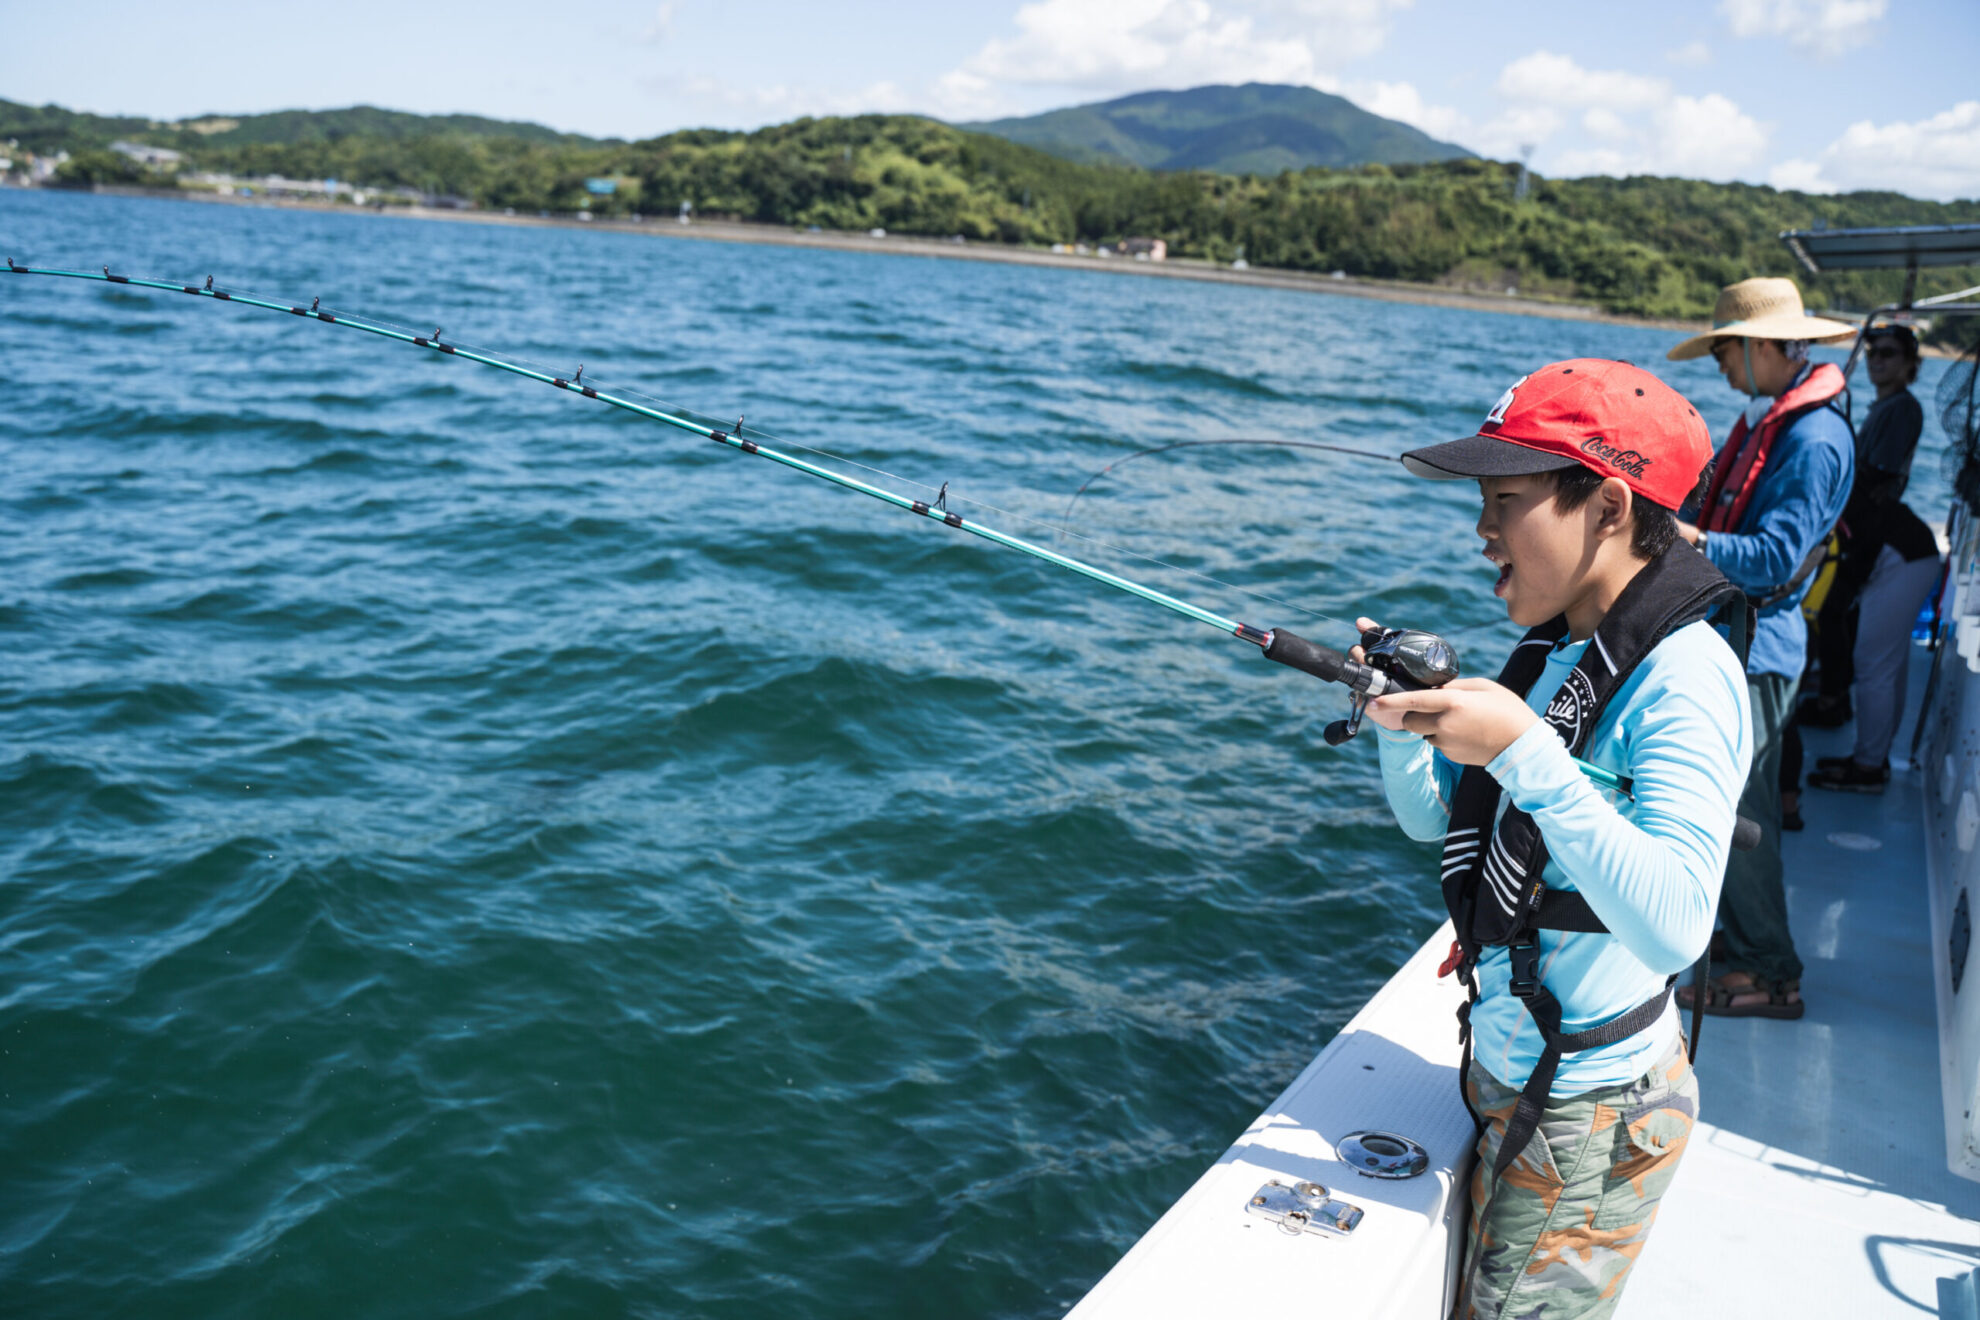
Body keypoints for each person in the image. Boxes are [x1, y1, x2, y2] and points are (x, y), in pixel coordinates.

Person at [1366, 359, 1751, 1318]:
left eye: (1505, 500)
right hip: (1508, 1068)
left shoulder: (1687, 678)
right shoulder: (1558, 653)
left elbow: (1676, 925)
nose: (1482, 528)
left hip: (1591, 1111)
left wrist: (1524, 753)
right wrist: (1399, 725)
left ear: (1609, 507)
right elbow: (1439, 824)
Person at [1667, 277, 1855, 1020]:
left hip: (1760, 649)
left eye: (1725, 349)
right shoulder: (1778, 422)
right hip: (1740, 640)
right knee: (1726, 803)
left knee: (1738, 813)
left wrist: (1685, 539)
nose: (1719, 364)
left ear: (1763, 347)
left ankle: (1769, 972)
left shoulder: (1812, 439)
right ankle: (1745, 940)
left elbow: (1775, 558)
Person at [1808, 326, 1942, 790]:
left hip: (1901, 555)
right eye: (1871, 352)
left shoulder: (1901, 407)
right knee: (1887, 665)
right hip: (1903, 553)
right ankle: (1874, 760)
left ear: (1910, 365)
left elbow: (1874, 476)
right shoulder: (1886, 407)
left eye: (1888, 353)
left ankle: (1867, 768)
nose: (1876, 359)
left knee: (1874, 665)